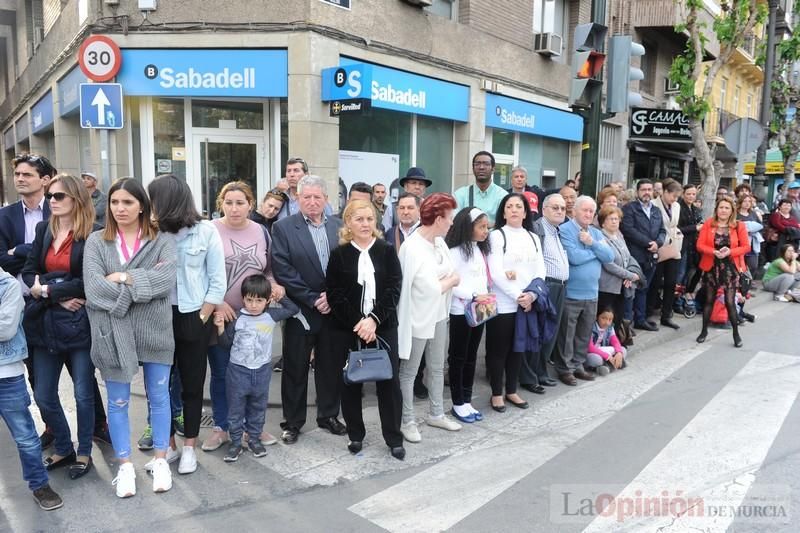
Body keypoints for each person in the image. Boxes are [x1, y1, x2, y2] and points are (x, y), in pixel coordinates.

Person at [83, 178, 177, 498]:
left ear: (142, 206)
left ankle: (161, 459)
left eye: (127, 203)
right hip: (112, 332)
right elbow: (94, 289)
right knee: (118, 401)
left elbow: (165, 280)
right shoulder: (97, 242)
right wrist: (139, 290)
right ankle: (124, 465)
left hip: (155, 329)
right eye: (114, 202)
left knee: (160, 396)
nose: (120, 209)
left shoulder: (161, 240)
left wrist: (124, 277)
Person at [147, 174, 227, 474]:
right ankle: (167, 447)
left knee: (192, 386)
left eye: (153, 199)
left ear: (167, 200)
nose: (148, 205)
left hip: (195, 315)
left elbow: (218, 280)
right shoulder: (152, 232)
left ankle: (190, 447)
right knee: (160, 387)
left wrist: (203, 316)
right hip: (158, 316)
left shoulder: (205, 231)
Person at [21, 174, 98, 480]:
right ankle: (64, 446)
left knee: (83, 394)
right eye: (50, 195)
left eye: (59, 196)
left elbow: (88, 280)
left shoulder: (92, 235)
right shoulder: (44, 229)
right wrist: (55, 294)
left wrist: (50, 290)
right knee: (43, 395)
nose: (52, 200)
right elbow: (30, 272)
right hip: (45, 323)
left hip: (78, 325)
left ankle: (84, 453)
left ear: (76, 198)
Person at [204, 181, 283, 451]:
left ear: (251, 204)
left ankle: (253, 429)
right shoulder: (210, 230)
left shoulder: (261, 231)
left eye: (240, 203)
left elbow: (269, 269)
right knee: (222, 374)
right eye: (229, 203)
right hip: (222, 317)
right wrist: (216, 304)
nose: (234, 208)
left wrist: (273, 285)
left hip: (255, 319)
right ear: (221, 204)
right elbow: (198, 274)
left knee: (255, 375)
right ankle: (222, 427)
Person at [326, 199, 405, 459]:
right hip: (349, 328)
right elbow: (335, 294)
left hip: (382, 326)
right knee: (351, 382)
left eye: (369, 219)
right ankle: (355, 435)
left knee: (389, 383)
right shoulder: (339, 254)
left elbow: (394, 288)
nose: (365, 224)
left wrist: (373, 319)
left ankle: (394, 437)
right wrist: (359, 323)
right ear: (348, 222)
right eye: (359, 219)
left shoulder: (386, 250)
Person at [271, 175, 346, 444]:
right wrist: (313, 298)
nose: (312, 202)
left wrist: (333, 297)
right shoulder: (283, 228)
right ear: (297, 199)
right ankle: (292, 422)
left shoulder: (340, 226)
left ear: (326, 199)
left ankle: (328, 415)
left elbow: (348, 265)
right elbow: (283, 269)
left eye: (317, 197)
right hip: (302, 311)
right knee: (295, 367)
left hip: (334, 311)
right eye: (307, 197)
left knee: (331, 366)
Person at [397, 193, 462, 442]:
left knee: (436, 367)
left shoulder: (439, 242)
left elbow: (451, 275)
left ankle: (436, 413)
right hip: (416, 318)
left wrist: (445, 281)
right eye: (449, 218)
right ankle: (407, 420)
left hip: (439, 315)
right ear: (437, 218)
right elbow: (429, 288)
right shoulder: (411, 247)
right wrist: (448, 281)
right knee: (409, 372)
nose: (452, 223)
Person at [215, 274, 298, 462]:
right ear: (243, 298)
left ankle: (253, 438)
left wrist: (280, 296)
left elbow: (293, 309)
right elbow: (225, 344)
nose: (253, 305)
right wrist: (220, 327)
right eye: (249, 300)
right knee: (235, 410)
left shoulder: (271, 315)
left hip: (261, 371)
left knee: (258, 407)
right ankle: (235, 442)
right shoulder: (236, 317)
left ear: (267, 300)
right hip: (237, 371)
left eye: (259, 300)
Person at [0, 266, 63, 511]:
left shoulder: (9, 285)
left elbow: (5, 330)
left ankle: (40, 485)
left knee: (26, 438)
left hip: (7, 375)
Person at [486, 193, 545, 411]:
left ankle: (511, 390)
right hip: (503, 304)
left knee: (517, 350)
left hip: (527, 303)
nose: (513, 210)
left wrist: (532, 296)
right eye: (509, 206)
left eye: (518, 206)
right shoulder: (496, 236)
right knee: (498, 350)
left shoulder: (533, 237)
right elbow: (495, 271)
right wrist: (518, 296)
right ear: (503, 212)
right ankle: (496, 393)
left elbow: (540, 269)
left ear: (525, 211)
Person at [556, 196, 614, 385]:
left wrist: (592, 244)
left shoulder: (596, 234)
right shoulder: (564, 230)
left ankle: (578, 365)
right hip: (572, 292)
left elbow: (608, 256)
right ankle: (565, 369)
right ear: (574, 211)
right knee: (567, 335)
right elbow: (573, 257)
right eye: (585, 210)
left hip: (592, 293)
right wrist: (595, 254)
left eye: (591, 211)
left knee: (583, 333)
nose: (588, 214)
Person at [445, 207, 491, 423]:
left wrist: (484, 295)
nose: (485, 231)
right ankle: (457, 402)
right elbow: (451, 284)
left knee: (472, 356)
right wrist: (474, 295)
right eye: (481, 227)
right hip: (461, 311)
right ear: (468, 227)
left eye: (486, 227)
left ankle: (466, 399)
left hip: (479, 310)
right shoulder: (455, 253)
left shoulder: (479, 250)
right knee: (458, 357)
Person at [522, 194, 569, 390]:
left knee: (550, 333)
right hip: (545, 286)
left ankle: (541, 372)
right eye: (555, 207)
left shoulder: (558, 231)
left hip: (560, 286)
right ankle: (530, 377)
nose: (560, 211)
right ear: (544, 209)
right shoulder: (537, 228)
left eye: (563, 208)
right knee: (538, 333)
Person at [695, 197, 749, 348]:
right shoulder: (709, 223)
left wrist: (730, 251)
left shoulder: (739, 226)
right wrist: (713, 251)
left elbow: (746, 247)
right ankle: (704, 331)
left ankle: (736, 334)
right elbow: (699, 245)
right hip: (712, 266)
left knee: (730, 302)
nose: (723, 210)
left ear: (732, 211)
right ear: (716, 209)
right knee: (709, 301)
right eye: (721, 207)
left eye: (726, 208)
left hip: (730, 268)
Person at [621, 179, 665, 331]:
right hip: (635, 256)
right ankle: (627, 323)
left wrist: (657, 243)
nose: (647, 192)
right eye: (643, 189)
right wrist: (648, 243)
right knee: (630, 290)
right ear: (637, 192)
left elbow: (662, 231)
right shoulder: (629, 208)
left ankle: (640, 319)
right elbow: (628, 230)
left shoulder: (656, 210)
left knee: (644, 289)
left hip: (651, 257)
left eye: (649, 189)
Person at [598, 206, 639, 340]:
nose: (614, 222)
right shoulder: (601, 237)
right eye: (611, 219)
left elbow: (628, 258)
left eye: (616, 219)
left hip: (621, 287)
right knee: (603, 319)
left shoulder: (619, 237)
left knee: (617, 318)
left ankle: (614, 347)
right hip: (607, 287)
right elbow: (608, 264)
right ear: (603, 222)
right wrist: (628, 275)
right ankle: (601, 347)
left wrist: (630, 273)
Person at [650, 178, 683, 329]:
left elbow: (675, 224)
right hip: (659, 245)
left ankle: (666, 314)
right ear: (664, 192)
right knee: (655, 281)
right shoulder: (653, 204)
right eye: (672, 196)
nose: (674, 199)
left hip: (673, 246)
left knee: (671, 282)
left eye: (677, 197)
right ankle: (649, 312)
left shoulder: (676, 206)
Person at [454, 151, 508, 226]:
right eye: (477, 164)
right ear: (473, 169)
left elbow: (505, 222)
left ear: (493, 169)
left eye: (486, 164)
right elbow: (454, 221)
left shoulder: (503, 195)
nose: (481, 167)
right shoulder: (461, 195)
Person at [586, 308, 627, 376]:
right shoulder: (590, 327)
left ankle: (606, 366)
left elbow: (615, 341)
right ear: (597, 317)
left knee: (623, 350)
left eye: (610, 319)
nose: (607, 322)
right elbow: (590, 348)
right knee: (596, 359)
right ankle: (611, 365)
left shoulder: (610, 327)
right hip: (592, 353)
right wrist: (607, 356)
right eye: (603, 318)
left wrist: (619, 353)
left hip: (603, 351)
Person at [677, 184, 703, 290]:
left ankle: (683, 295)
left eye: (693, 194)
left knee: (690, 271)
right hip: (681, 245)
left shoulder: (695, 209)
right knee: (680, 272)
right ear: (683, 194)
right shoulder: (678, 207)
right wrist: (695, 228)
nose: (691, 196)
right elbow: (677, 229)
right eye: (688, 194)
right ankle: (675, 299)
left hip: (694, 245)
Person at [736, 194, 763, 275]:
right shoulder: (735, 214)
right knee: (740, 264)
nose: (747, 203)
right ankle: (741, 281)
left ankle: (749, 280)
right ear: (740, 202)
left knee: (753, 265)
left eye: (749, 201)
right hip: (739, 242)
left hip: (752, 243)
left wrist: (754, 230)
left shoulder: (753, 213)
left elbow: (760, 226)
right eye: (745, 201)